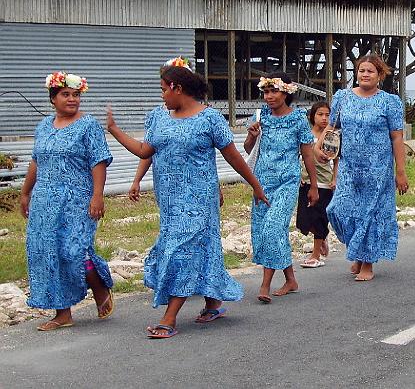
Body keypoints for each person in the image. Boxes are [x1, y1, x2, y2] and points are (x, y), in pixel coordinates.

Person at [106, 57, 268, 339]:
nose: (162, 96)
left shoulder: (209, 118)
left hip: (199, 198)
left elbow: (234, 159)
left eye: (163, 90)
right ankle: (213, 303)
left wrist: (255, 185)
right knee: (200, 248)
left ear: (177, 88)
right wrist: (115, 131)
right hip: (169, 198)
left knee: (181, 250)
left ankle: (169, 317)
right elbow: (145, 151)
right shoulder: (160, 118)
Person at [20, 72, 114, 331]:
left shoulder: (89, 126)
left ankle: (98, 284)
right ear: (53, 99)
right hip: (44, 201)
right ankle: (63, 313)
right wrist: (26, 192)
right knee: (48, 253)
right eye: (66, 94)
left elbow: (98, 161)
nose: (72, 99)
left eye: (76, 95)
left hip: (77, 200)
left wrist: (97, 195)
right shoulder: (43, 127)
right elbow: (36, 161)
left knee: (73, 250)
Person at [317, 54, 408, 282]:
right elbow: (331, 126)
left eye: (370, 71)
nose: (365, 74)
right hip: (348, 166)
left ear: (379, 76)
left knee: (370, 213)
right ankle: (358, 248)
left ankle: (367, 263)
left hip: (378, 169)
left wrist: (400, 172)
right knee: (337, 209)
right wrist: (319, 148)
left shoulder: (389, 102)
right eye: (361, 71)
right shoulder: (343, 98)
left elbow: (397, 138)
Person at [244, 72, 318, 303]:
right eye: (266, 92)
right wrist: (252, 136)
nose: (269, 96)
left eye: (273, 91)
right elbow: (249, 151)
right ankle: (291, 279)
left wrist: (314, 185)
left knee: (272, 229)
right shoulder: (261, 117)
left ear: (286, 92)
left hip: (287, 183)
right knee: (268, 231)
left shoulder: (298, 119)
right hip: (262, 183)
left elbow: (307, 153)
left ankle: (264, 285)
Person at [297, 101, 338, 269]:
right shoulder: (306, 135)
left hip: (324, 183)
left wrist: (335, 179)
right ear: (312, 116)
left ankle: (315, 255)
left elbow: (337, 160)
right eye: (320, 114)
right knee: (303, 220)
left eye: (327, 115)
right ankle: (322, 237)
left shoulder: (332, 136)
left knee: (319, 217)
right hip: (306, 180)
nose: (324, 118)